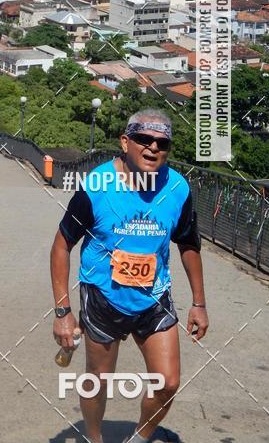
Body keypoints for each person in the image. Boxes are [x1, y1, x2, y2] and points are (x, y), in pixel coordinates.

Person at [51, 109, 208, 443]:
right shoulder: (97, 186)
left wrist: (199, 302)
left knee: (167, 383)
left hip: (154, 297)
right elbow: (61, 245)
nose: (153, 148)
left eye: (162, 143)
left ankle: (137, 439)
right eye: (143, 139)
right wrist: (63, 312)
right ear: (125, 142)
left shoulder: (177, 188)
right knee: (98, 379)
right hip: (104, 297)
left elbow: (188, 243)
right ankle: (94, 438)